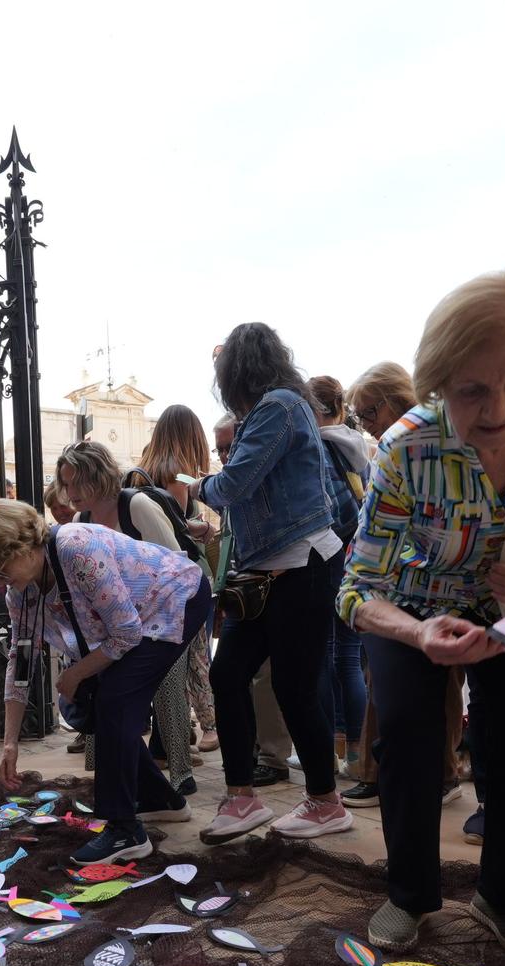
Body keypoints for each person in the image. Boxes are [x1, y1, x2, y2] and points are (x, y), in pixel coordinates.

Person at [339, 265, 505, 951]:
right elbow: (356, 586)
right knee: (407, 732)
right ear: (438, 386)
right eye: (472, 391)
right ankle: (410, 895)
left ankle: (504, 898)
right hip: (412, 607)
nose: (500, 409)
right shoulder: (406, 445)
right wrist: (418, 633)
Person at [0, 499, 211, 865]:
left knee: (114, 700)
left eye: (0, 569)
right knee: (96, 703)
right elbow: (21, 662)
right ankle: (162, 800)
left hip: (176, 599)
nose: (0, 581)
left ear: (21, 545)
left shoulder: (75, 548)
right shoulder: (20, 592)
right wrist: (9, 743)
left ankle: (124, 829)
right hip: (130, 626)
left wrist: (77, 673)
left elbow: (126, 633)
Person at [192, 322, 352, 843]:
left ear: (236, 371)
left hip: (301, 563)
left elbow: (232, 484)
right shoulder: (282, 405)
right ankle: (242, 797)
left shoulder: (279, 406)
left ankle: (326, 803)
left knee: (295, 685)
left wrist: (192, 484)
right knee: (229, 674)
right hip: (270, 568)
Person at [338, 362, 468, 809]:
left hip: (433, 590)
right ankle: (387, 773)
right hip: (389, 589)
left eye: (367, 414)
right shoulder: (392, 451)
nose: (367, 426)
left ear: (393, 401)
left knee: (442, 682)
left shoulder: (438, 443)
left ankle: (443, 772)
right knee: (387, 687)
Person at [58, 440, 198, 796]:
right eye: (65, 483)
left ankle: (180, 771)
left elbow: (175, 564)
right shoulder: (79, 520)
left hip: (167, 613)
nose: (69, 492)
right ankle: (107, 768)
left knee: (167, 686)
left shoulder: (135, 504)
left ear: (96, 477)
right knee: (101, 689)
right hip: (116, 626)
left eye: (75, 483)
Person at [212, 413, 291, 786]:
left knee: (268, 679)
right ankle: (255, 758)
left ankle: (274, 757)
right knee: (233, 675)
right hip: (242, 589)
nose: (226, 456)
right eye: (220, 450)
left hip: (270, 587)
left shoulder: (259, 480)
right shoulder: (236, 484)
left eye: (230, 447)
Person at [138, 405, 220, 752]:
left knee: (169, 658)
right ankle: (210, 725)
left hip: (149, 578)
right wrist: (202, 527)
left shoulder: (143, 469)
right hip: (184, 574)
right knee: (197, 653)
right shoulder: (180, 474)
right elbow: (177, 523)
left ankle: (174, 734)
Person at [307, 375, 371, 784]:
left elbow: (336, 510)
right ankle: (353, 751)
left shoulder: (322, 447)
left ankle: (352, 751)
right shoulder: (354, 443)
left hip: (336, 560)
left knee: (340, 659)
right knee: (347, 658)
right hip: (359, 559)